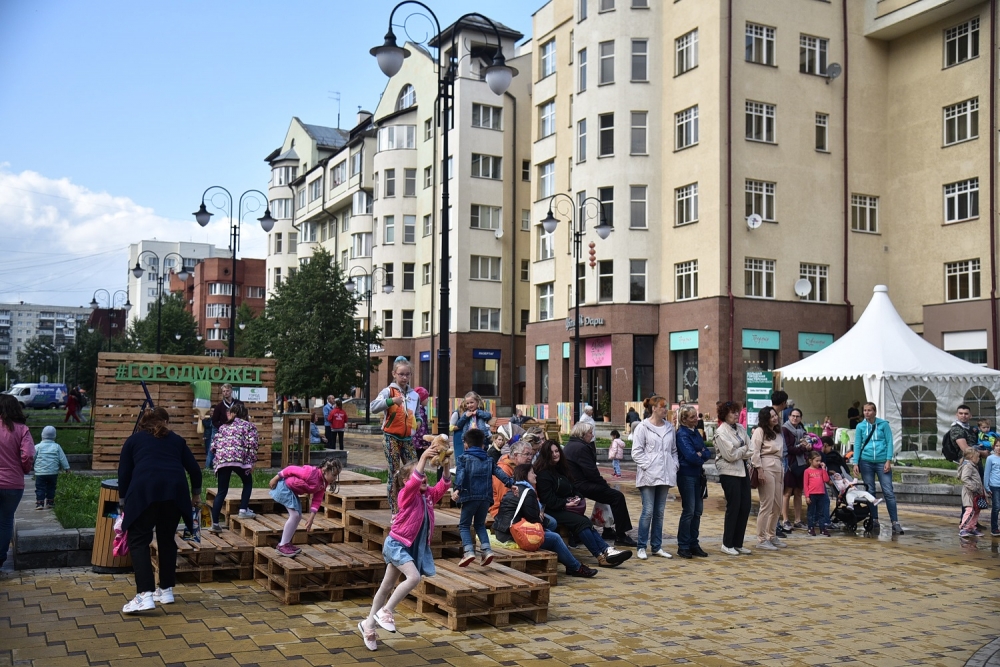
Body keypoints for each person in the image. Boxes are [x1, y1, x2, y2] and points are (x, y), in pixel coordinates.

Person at [357, 442, 451, 651]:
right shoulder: (405, 496)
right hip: (397, 544)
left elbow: (444, 485)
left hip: (410, 547)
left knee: (386, 586)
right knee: (414, 577)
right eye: (419, 475)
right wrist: (424, 457)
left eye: (426, 475)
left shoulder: (427, 497)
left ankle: (368, 625)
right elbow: (413, 483)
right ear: (406, 481)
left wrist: (446, 464)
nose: (424, 477)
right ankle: (386, 611)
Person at [118, 407, 202, 613]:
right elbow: (194, 469)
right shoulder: (176, 440)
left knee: (138, 541)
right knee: (166, 539)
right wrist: (196, 495)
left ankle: (144, 595)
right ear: (164, 421)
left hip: (145, 492)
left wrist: (123, 501)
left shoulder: (133, 441)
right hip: (175, 494)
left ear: (143, 423)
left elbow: (124, 473)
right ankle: (165, 590)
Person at [534, 440, 632, 567]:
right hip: (551, 510)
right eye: (551, 452)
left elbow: (573, 487)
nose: (554, 454)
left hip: (565, 508)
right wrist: (565, 503)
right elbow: (548, 499)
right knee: (582, 522)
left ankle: (607, 551)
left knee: (584, 521)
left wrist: (577, 497)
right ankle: (601, 555)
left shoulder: (562, 469)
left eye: (556, 451)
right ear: (545, 455)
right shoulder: (543, 473)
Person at [494, 463, 598, 578]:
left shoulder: (513, 489)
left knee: (549, 529)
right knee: (555, 537)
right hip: (514, 536)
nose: (535, 475)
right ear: (525, 475)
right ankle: (576, 567)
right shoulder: (528, 493)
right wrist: (540, 518)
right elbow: (533, 520)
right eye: (532, 473)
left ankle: (570, 563)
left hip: (503, 532)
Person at [563, 421, 637, 547]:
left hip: (575, 484)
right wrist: (604, 484)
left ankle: (608, 530)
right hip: (581, 485)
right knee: (617, 497)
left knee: (606, 495)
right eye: (590, 433)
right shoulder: (581, 447)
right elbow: (591, 472)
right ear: (582, 434)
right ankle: (621, 535)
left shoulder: (571, 444)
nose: (592, 436)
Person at [450, 429, 512, 567]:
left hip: (470, 497)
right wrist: (511, 483)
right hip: (485, 498)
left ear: (466, 444)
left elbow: (460, 475)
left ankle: (468, 552)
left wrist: (457, 489)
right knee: (479, 524)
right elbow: (499, 473)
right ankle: (487, 550)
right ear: (483, 445)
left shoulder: (463, 458)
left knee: (464, 525)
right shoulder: (489, 459)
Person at [629, 395, 678, 560]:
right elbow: (636, 452)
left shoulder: (669, 427)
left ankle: (657, 546)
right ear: (654, 408)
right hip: (648, 475)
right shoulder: (643, 427)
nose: (666, 409)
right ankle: (641, 546)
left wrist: (674, 465)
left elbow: (673, 451)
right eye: (663, 406)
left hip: (665, 474)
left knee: (659, 512)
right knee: (648, 510)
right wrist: (649, 466)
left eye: (666, 406)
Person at [371, 357, 419, 513]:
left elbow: (416, 414)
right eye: (401, 374)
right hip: (391, 436)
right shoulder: (388, 391)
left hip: (407, 438)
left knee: (414, 470)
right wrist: (391, 401)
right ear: (394, 374)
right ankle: (395, 510)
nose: (404, 378)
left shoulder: (415, 395)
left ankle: (411, 506)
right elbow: (373, 407)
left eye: (407, 374)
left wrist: (417, 422)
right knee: (395, 472)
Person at [267, 458, 341, 557]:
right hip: (284, 488)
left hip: (292, 492)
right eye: (334, 475)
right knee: (295, 515)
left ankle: (286, 543)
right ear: (325, 470)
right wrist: (276, 478)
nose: (335, 478)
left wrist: (311, 518)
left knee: (297, 516)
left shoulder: (323, 483)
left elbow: (317, 500)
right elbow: (290, 469)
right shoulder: (311, 472)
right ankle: (282, 545)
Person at [208, 400, 259, 532]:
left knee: (221, 491)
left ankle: (214, 524)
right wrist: (251, 463)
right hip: (238, 459)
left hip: (223, 460)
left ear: (233, 414)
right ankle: (243, 509)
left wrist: (219, 457)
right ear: (244, 415)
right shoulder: (249, 426)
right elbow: (252, 445)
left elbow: (213, 446)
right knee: (247, 482)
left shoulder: (223, 427)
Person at [852, 402, 903, 535]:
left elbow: (889, 442)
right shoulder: (860, 426)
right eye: (865, 410)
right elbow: (857, 444)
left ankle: (895, 522)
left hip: (881, 461)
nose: (866, 413)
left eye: (869, 410)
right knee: (871, 491)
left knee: (888, 491)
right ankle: (874, 519)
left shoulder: (883, 424)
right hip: (866, 461)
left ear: (874, 411)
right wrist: (855, 462)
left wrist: (888, 460)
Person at [714, 401, 753, 556]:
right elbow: (729, 455)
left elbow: (752, 449)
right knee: (734, 506)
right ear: (725, 414)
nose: (736, 414)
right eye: (732, 412)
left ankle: (738, 543)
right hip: (729, 472)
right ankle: (727, 543)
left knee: (745, 506)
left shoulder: (741, 428)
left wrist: (740, 450)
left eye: (737, 412)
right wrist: (743, 450)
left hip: (742, 469)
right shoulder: (721, 432)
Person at [0, 395, 34, 570]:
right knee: (6, 521)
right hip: (13, 483)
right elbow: (28, 454)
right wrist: (25, 469)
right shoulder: (22, 430)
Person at [675, 405, 712, 559]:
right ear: (684, 419)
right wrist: (700, 454)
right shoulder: (682, 434)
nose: (696, 419)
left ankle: (693, 543)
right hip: (686, 475)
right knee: (689, 510)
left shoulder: (695, 432)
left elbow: (707, 451)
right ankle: (683, 545)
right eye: (692, 417)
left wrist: (701, 454)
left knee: (697, 511)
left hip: (697, 475)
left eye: (696, 416)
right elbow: (691, 456)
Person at [750, 406, 786, 551]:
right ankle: (761, 538)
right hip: (766, 465)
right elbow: (755, 451)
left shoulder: (777, 432)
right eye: (771, 416)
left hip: (778, 466)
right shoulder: (760, 431)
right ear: (766, 418)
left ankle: (772, 535)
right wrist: (759, 470)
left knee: (778, 505)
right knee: (767, 504)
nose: (775, 418)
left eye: (775, 415)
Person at [781, 408, 810, 532]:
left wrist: (808, 446)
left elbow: (808, 442)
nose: (795, 418)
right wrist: (804, 448)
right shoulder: (784, 429)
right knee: (787, 493)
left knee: (798, 492)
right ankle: (785, 519)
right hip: (789, 464)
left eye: (798, 416)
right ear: (789, 417)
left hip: (801, 464)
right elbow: (789, 448)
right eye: (793, 416)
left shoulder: (802, 430)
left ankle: (798, 520)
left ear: (801, 418)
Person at [490, 440, 533, 518]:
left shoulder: (522, 468)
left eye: (531, 454)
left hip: (520, 508)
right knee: (550, 523)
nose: (530, 458)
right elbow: (505, 498)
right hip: (502, 511)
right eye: (527, 454)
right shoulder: (503, 470)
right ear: (516, 455)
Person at [33, 425, 69, 509]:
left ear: (42, 435)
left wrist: (28, 464)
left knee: (40, 488)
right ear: (54, 436)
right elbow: (62, 458)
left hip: (40, 472)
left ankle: (40, 503)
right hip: (53, 472)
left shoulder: (37, 447)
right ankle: (50, 502)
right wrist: (66, 468)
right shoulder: (57, 446)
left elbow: (32, 457)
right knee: (51, 487)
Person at [449, 391, 491, 461]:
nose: (469, 405)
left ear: (477, 402)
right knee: (469, 455)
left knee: (481, 454)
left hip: (480, 437)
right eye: (467, 403)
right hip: (469, 438)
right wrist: (465, 417)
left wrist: (478, 412)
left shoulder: (480, 412)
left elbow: (488, 416)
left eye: (472, 402)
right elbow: (459, 424)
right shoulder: (466, 413)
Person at [958, 448, 986, 538]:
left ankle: (971, 527)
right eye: (977, 457)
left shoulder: (973, 465)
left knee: (976, 510)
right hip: (969, 492)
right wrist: (973, 487)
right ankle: (963, 528)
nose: (979, 459)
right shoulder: (968, 466)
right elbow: (964, 478)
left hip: (976, 492)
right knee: (970, 510)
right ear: (971, 457)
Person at [803, 452, 832, 537]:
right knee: (811, 512)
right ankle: (810, 528)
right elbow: (805, 484)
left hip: (821, 493)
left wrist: (824, 469)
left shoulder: (821, 470)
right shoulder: (807, 471)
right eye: (817, 461)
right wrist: (807, 496)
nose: (819, 462)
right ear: (810, 461)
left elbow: (826, 479)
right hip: (812, 494)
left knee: (821, 512)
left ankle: (822, 528)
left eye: (820, 461)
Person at [208, 383, 236, 470]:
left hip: (235, 430)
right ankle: (208, 468)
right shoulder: (219, 407)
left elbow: (243, 416)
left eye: (227, 391)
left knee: (234, 449)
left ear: (231, 391)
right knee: (215, 449)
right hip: (222, 431)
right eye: (224, 391)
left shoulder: (238, 404)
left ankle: (234, 467)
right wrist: (222, 427)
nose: (226, 393)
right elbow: (214, 420)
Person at [983, 439, 1000, 537]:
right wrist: (987, 487)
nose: (999, 448)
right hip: (995, 486)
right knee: (996, 507)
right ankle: (994, 528)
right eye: (997, 446)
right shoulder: (990, 458)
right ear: (994, 447)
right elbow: (987, 473)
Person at [411, 388, 430, 458]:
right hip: (420, 445)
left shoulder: (416, 410)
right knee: (419, 462)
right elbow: (422, 430)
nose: (428, 400)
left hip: (415, 443)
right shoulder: (420, 412)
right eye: (426, 398)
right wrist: (425, 443)